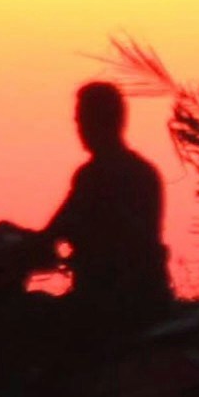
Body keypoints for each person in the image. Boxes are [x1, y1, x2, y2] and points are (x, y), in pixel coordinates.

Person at [31, 80, 173, 320]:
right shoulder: (143, 171)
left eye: (82, 118)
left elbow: (58, 228)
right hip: (145, 297)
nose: (78, 126)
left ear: (98, 121)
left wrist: (28, 246)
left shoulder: (96, 174)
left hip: (107, 300)